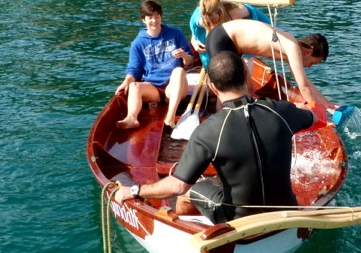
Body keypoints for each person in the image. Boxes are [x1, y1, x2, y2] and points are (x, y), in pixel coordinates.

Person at [112, 51, 326, 222]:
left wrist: (135, 190)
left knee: (189, 191)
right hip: (285, 211)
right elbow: (317, 116)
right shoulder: (281, 111)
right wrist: (301, 107)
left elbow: (178, 186)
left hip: (239, 219)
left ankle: (188, 228)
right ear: (246, 76)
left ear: (213, 87)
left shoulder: (208, 131)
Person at [205, 19, 335, 109]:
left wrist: (328, 104)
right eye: (313, 62)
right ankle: (221, 116)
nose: (310, 66)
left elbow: (305, 82)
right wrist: (317, 112)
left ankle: (250, 113)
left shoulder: (292, 46)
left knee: (250, 89)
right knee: (230, 89)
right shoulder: (292, 47)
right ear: (309, 51)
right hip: (222, 38)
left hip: (230, 42)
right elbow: (304, 87)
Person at [115, 0, 194, 130]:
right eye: (150, 17)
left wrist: (184, 56)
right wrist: (126, 82)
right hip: (153, 88)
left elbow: (190, 61)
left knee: (179, 71)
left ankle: (170, 117)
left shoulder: (175, 34)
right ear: (143, 20)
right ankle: (131, 118)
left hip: (174, 87)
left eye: (157, 17)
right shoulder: (138, 43)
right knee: (134, 86)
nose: (154, 21)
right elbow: (134, 69)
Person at [188, 0, 271, 67]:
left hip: (237, 52)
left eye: (216, 21)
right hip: (210, 62)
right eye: (210, 23)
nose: (214, 26)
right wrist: (194, 39)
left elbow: (269, 26)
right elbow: (195, 26)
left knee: (246, 61)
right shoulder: (198, 20)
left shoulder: (238, 13)